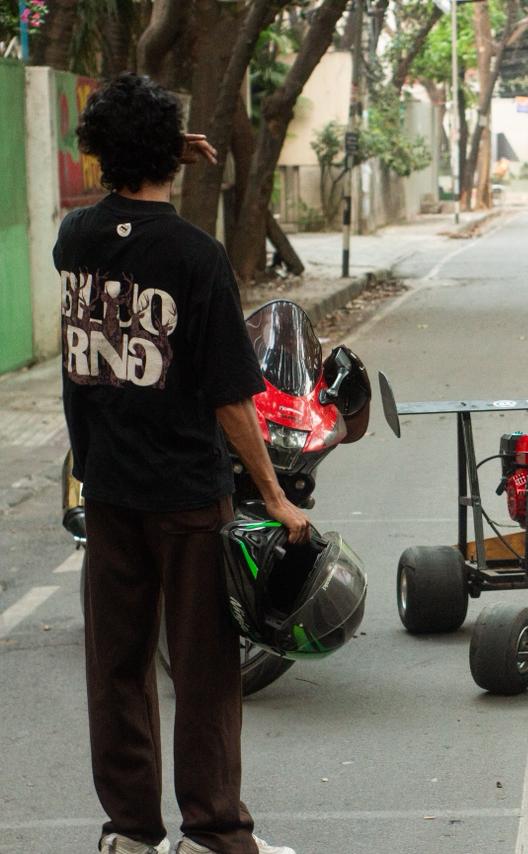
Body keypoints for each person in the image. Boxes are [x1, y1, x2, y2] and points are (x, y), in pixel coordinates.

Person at [56, 73, 307, 854]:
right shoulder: (197, 259)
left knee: (118, 668)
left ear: (98, 154)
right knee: (204, 672)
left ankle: (129, 833)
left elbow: (126, 216)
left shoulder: (74, 239)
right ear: (174, 151)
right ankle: (215, 834)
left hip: (108, 490)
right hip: (188, 497)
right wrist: (277, 498)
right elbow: (233, 398)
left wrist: (159, 158)